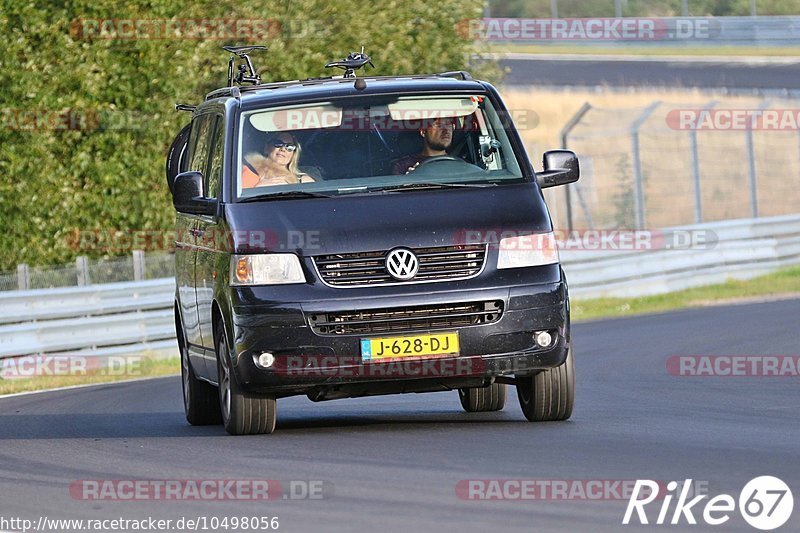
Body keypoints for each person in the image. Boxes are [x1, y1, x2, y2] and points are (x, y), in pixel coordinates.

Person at [242, 132, 314, 188]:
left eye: (289, 147)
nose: (283, 149)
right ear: (266, 148)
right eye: (278, 143)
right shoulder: (251, 172)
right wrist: (258, 188)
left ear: (293, 154)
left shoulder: (303, 181)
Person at [391, 117, 456, 175]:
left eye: (448, 125)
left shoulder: (459, 164)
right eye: (438, 125)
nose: (446, 131)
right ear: (423, 131)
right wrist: (409, 180)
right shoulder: (402, 166)